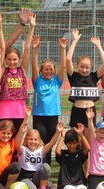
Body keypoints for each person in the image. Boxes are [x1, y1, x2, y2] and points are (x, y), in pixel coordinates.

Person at [31, 35, 67, 165]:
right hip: (39, 116)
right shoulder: (37, 81)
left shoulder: (57, 81)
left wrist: (63, 49)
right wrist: (35, 49)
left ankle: (46, 168)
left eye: (51, 69)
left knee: (50, 144)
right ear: (41, 71)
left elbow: (63, 67)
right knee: (41, 142)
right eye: (46, 69)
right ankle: (38, 167)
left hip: (53, 117)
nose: (48, 71)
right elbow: (34, 66)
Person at [16, 108, 64, 189]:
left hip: (37, 177)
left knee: (46, 166)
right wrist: (22, 129)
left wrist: (58, 132)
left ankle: (42, 187)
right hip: (25, 178)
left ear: (39, 141)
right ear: (26, 140)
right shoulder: (23, 150)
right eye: (30, 139)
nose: (33, 141)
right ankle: (34, 188)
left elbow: (51, 143)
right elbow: (17, 143)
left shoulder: (41, 150)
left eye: (35, 139)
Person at [0, 13, 36, 131]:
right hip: (5, 112)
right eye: (9, 59)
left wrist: (31, 28)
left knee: (18, 141)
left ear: (18, 59)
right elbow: (2, 48)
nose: (12, 62)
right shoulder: (3, 70)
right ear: (5, 60)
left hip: (20, 112)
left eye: (14, 59)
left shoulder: (22, 70)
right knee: (5, 140)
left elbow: (27, 48)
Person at [66, 29, 104, 129]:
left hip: (90, 111)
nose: (84, 69)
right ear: (77, 66)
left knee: (89, 142)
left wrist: (98, 46)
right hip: (77, 111)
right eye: (82, 67)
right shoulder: (74, 76)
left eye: (87, 67)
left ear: (91, 67)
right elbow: (68, 60)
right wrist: (74, 41)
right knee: (76, 142)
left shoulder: (94, 77)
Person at [55, 124, 90, 189]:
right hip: (66, 183)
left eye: (74, 143)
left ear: (78, 143)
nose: (72, 146)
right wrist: (62, 136)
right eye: (69, 143)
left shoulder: (79, 153)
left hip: (79, 182)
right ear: (66, 143)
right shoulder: (63, 154)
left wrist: (81, 134)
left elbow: (88, 148)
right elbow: (57, 151)